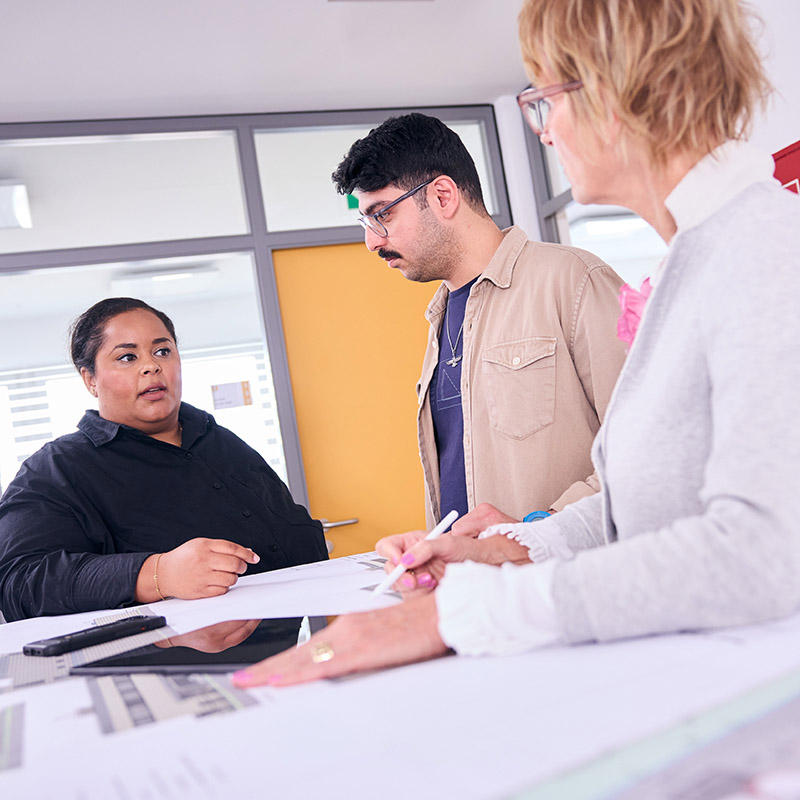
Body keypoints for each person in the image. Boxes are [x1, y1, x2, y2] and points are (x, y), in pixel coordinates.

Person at [232, 0, 800, 688]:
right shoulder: (695, 258)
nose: (544, 130)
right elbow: (630, 509)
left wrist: (463, 615)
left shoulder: (765, 250)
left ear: (617, 89)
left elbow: (765, 553)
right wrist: (502, 552)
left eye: (547, 99)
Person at [331, 113, 626, 532]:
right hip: (475, 587)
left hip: (560, 582)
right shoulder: (440, 318)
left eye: (382, 215)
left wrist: (540, 530)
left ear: (443, 196)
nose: (372, 241)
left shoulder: (573, 281)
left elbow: (649, 445)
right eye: (366, 221)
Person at [0, 297, 328, 622]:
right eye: (127, 357)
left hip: (298, 643)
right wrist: (159, 573)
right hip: (176, 666)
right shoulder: (55, 469)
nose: (152, 366)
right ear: (90, 379)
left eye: (162, 351)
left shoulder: (219, 439)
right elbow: (18, 583)